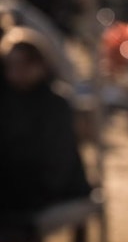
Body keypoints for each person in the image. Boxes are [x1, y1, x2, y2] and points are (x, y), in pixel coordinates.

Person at [0, 25, 92, 224]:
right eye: (11, 66)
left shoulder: (56, 103)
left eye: (22, 65)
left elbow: (57, 162)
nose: (16, 72)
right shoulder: (9, 101)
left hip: (54, 186)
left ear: (39, 65)